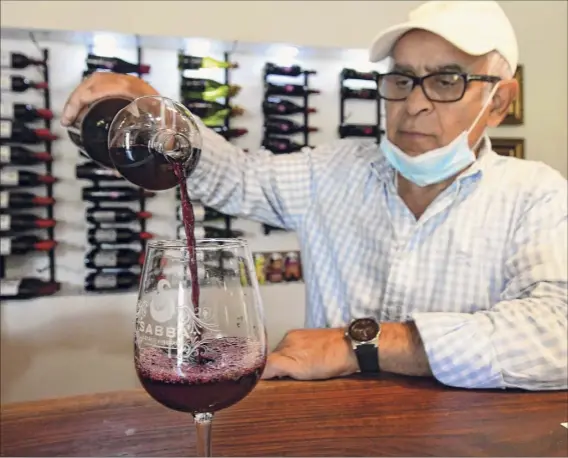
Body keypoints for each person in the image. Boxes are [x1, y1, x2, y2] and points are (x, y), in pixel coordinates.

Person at [62, 0, 567, 390]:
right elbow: (234, 178)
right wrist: (160, 114)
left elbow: (557, 336)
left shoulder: (535, 196)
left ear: (499, 101)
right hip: (326, 430)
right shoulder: (334, 170)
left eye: (447, 81)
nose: (414, 104)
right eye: (401, 78)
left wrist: (360, 346)